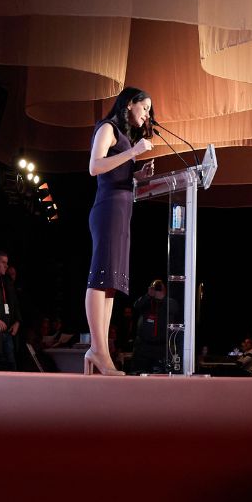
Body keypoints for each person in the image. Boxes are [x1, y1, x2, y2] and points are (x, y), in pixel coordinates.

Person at [84, 87, 155, 376]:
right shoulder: (108, 129)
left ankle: (99, 351)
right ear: (129, 104)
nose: (148, 114)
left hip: (123, 211)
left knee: (111, 283)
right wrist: (134, 153)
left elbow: (119, 172)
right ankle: (98, 350)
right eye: (145, 108)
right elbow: (95, 167)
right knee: (99, 277)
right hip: (108, 208)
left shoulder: (125, 137)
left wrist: (139, 175)